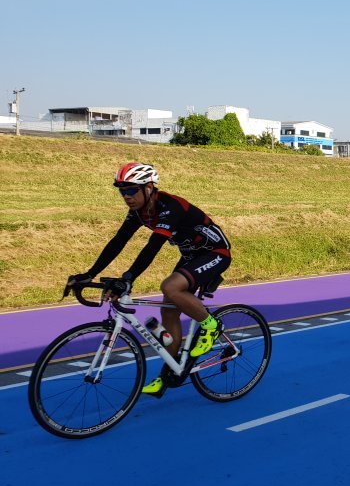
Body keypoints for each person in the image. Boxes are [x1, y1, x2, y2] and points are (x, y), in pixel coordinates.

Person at [67, 162, 231, 398]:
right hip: (191, 255)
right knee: (169, 310)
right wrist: (89, 273)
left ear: (149, 187)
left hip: (215, 252)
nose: (126, 196)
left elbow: (152, 247)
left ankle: (211, 325)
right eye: (122, 191)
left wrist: (128, 278)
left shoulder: (170, 206)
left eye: (132, 190)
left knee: (169, 287)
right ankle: (171, 372)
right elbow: (118, 241)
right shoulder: (138, 212)